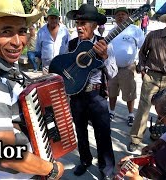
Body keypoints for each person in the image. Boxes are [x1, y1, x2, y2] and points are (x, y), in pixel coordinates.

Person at [0, 0, 64, 179]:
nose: (18, 42)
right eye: (6, 31)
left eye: (22, 31)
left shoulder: (2, 62)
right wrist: (52, 170)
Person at [128, 5, 166, 152]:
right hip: (152, 77)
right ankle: (135, 139)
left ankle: (159, 137)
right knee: (144, 109)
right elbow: (142, 54)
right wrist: (143, 70)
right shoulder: (153, 35)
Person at [66, 4, 117, 179]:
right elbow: (65, 68)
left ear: (95, 25)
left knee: (103, 134)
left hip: (97, 95)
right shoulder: (71, 44)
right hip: (77, 96)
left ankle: (107, 169)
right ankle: (85, 160)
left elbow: (112, 73)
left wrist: (105, 57)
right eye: (78, 22)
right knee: (80, 131)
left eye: (84, 23)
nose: (79, 26)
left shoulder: (105, 44)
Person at [107, 7, 145, 126]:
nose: (120, 16)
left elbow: (143, 48)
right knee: (112, 92)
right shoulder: (111, 31)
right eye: (118, 14)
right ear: (114, 17)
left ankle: (130, 114)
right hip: (112, 68)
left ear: (128, 16)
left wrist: (141, 65)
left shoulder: (135, 30)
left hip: (128, 68)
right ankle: (111, 111)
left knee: (129, 93)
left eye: (123, 14)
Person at [36, 7, 70, 74]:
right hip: (46, 68)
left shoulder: (64, 30)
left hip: (62, 67)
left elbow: (69, 46)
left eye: (55, 18)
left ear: (59, 19)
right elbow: (38, 50)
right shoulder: (41, 32)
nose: (53, 20)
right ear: (47, 19)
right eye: (51, 18)